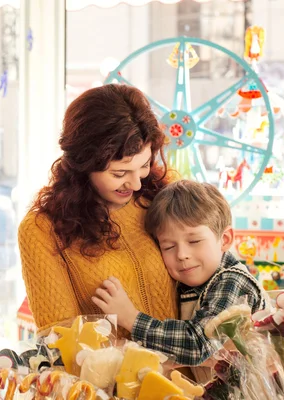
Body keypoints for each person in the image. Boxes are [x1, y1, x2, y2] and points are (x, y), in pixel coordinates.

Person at [18, 84, 178, 336]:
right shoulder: (43, 230)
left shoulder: (164, 194)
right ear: (84, 162)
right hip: (113, 376)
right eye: (119, 173)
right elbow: (60, 341)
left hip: (196, 374)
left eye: (145, 165)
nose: (136, 184)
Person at [93, 180, 266, 371]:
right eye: (168, 247)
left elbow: (198, 345)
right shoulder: (189, 283)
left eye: (194, 241)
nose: (182, 254)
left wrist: (131, 319)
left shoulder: (233, 281)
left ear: (224, 240)